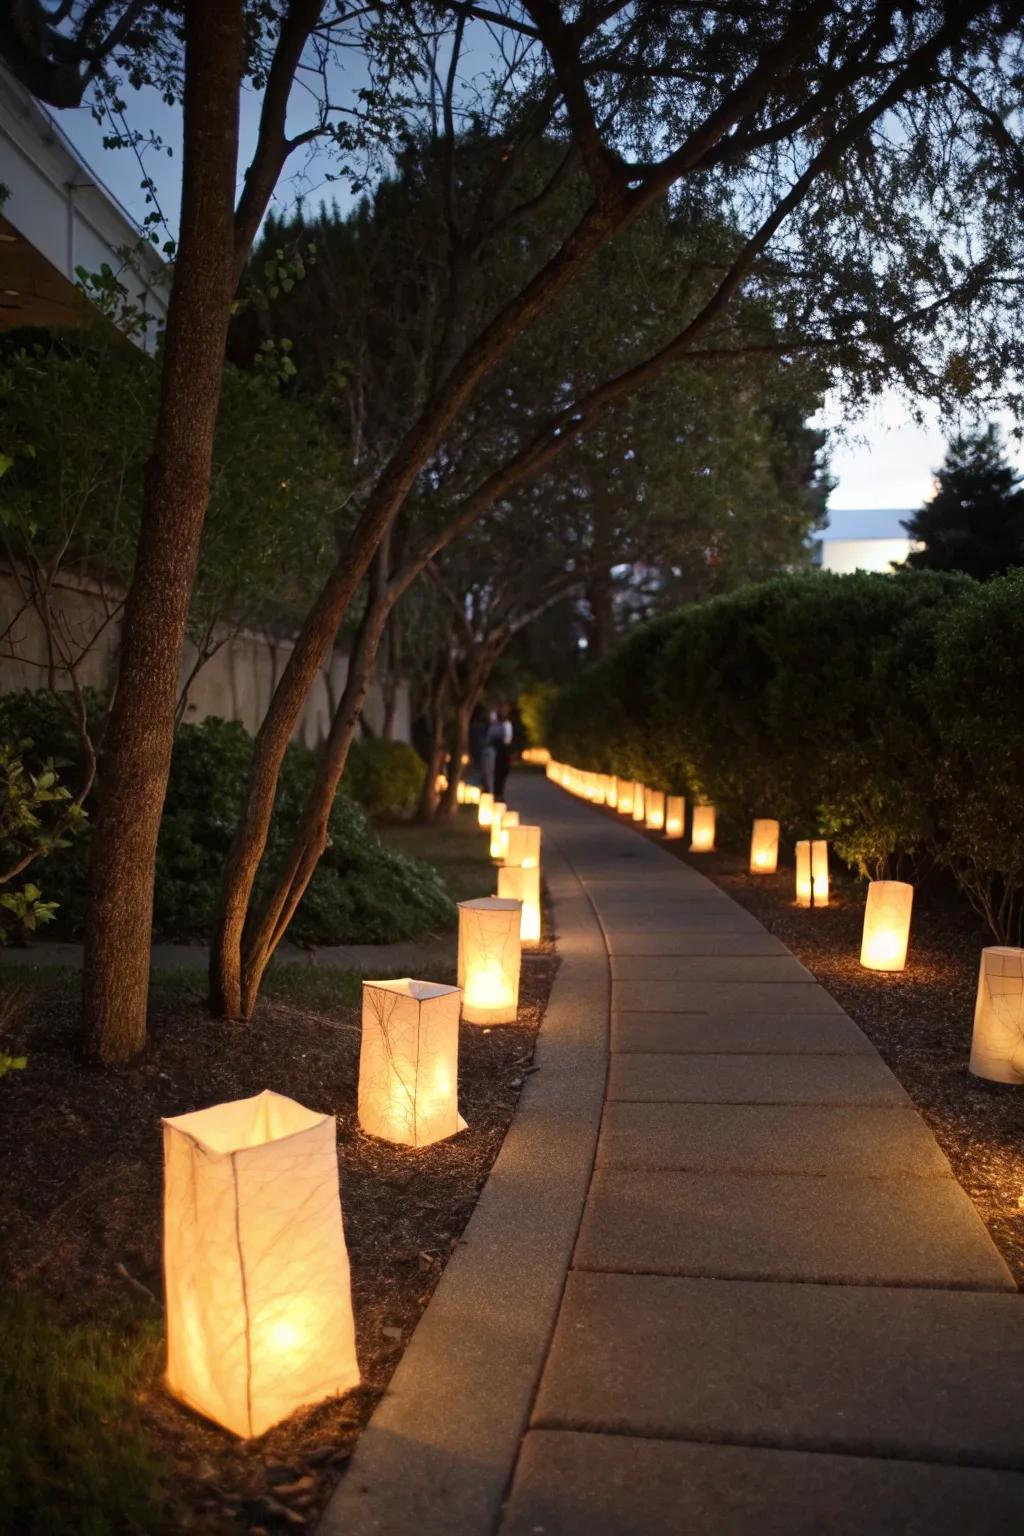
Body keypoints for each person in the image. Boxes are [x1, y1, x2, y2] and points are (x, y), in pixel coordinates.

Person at [490, 702, 514, 800]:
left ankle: (499, 794)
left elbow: (508, 739)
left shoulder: (507, 724)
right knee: (495, 774)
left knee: (502, 773)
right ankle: (496, 794)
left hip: (504, 752)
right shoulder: (495, 724)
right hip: (496, 750)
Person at [468, 703, 489, 789]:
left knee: (479, 769)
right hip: (478, 750)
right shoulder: (476, 726)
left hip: (478, 750)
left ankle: (479, 787)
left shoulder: (476, 726)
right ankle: (477, 787)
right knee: (478, 770)